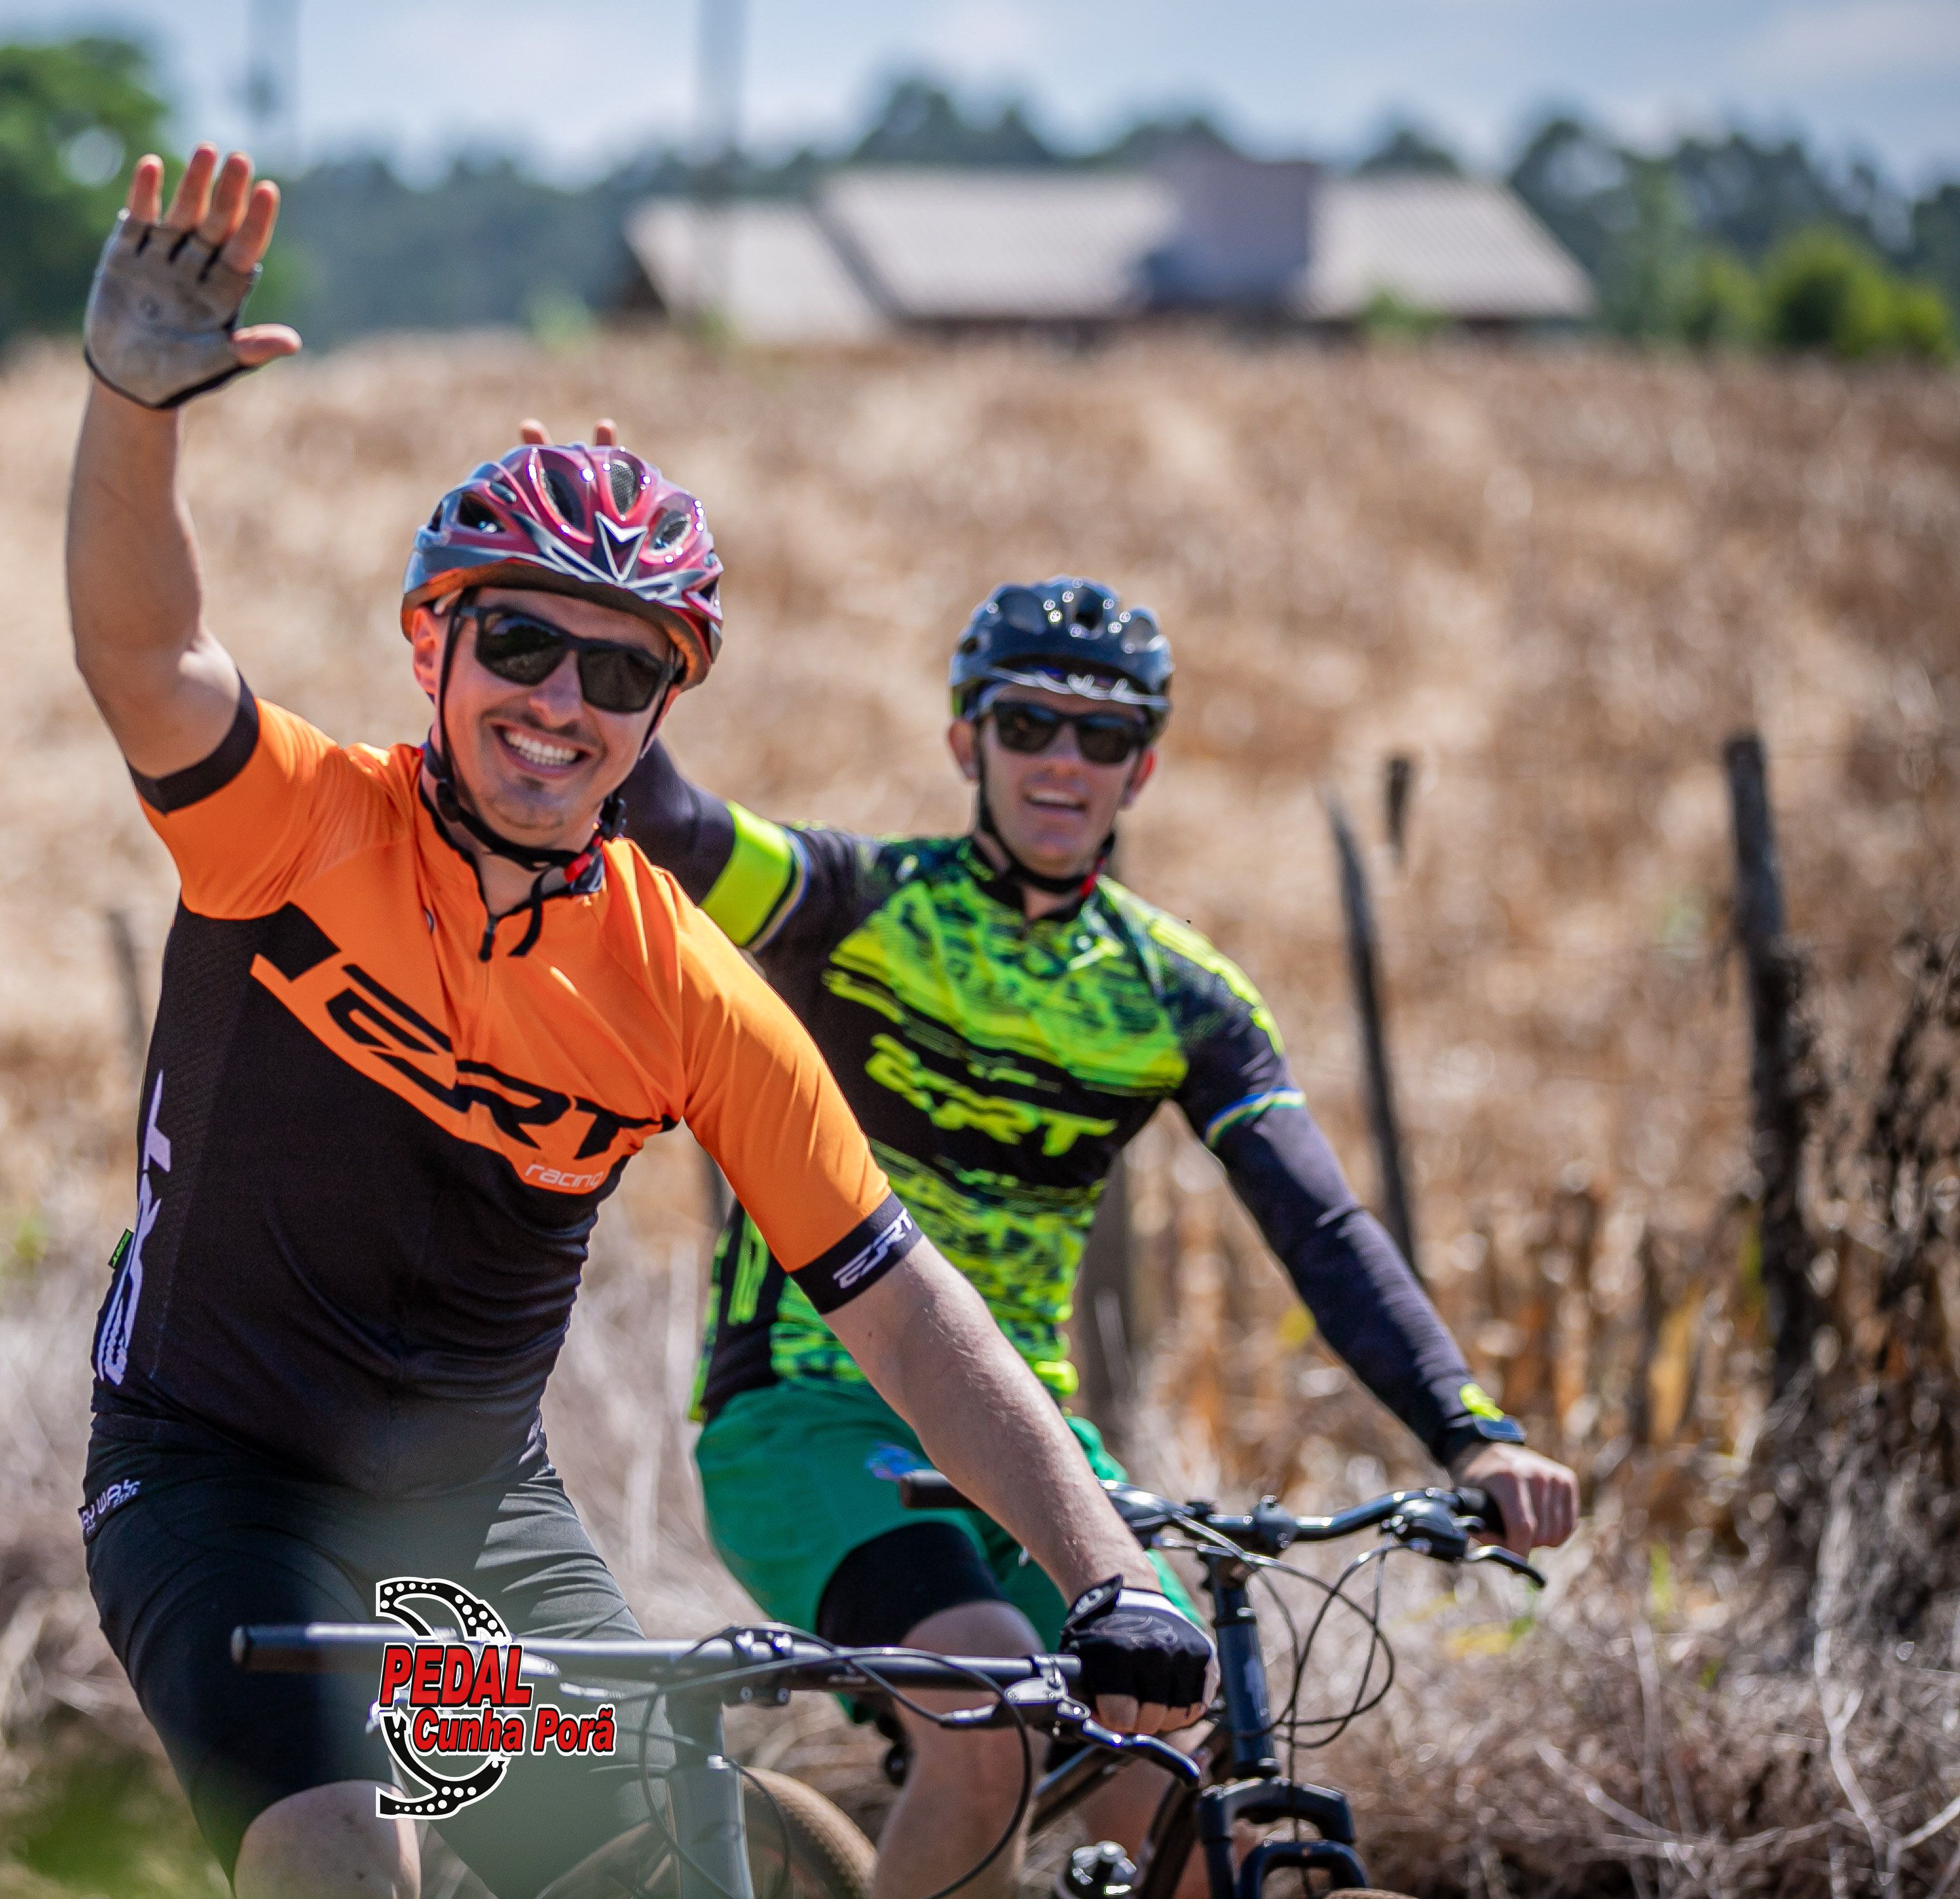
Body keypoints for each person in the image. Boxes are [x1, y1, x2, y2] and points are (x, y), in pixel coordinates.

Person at [65, 148, 1215, 1899]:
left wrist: (1105, 1568)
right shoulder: (295, 828)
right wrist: (133, 410)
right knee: (342, 1857)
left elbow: (903, 1309)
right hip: (212, 1480)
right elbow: (147, 659)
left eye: (621, 672)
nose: (562, 702)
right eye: (524, 645)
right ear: (433, 646)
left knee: (655, 1863)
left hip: (468, 1524)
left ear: (662, 709)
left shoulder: (681, 985)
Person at [586, 500, 1584, 1899]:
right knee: (991, 1710)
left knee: (1176, 1748)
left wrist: (1471, 1433)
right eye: (1028, 724)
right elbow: (666, 824)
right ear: (967, 744)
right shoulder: (850, 902)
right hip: (809, 1413)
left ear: (1143, 767)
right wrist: (618, 608)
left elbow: (1320, 1227)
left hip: (1029, 1440)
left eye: (1102, 735)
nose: (1063, 759)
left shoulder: (1180, 992)